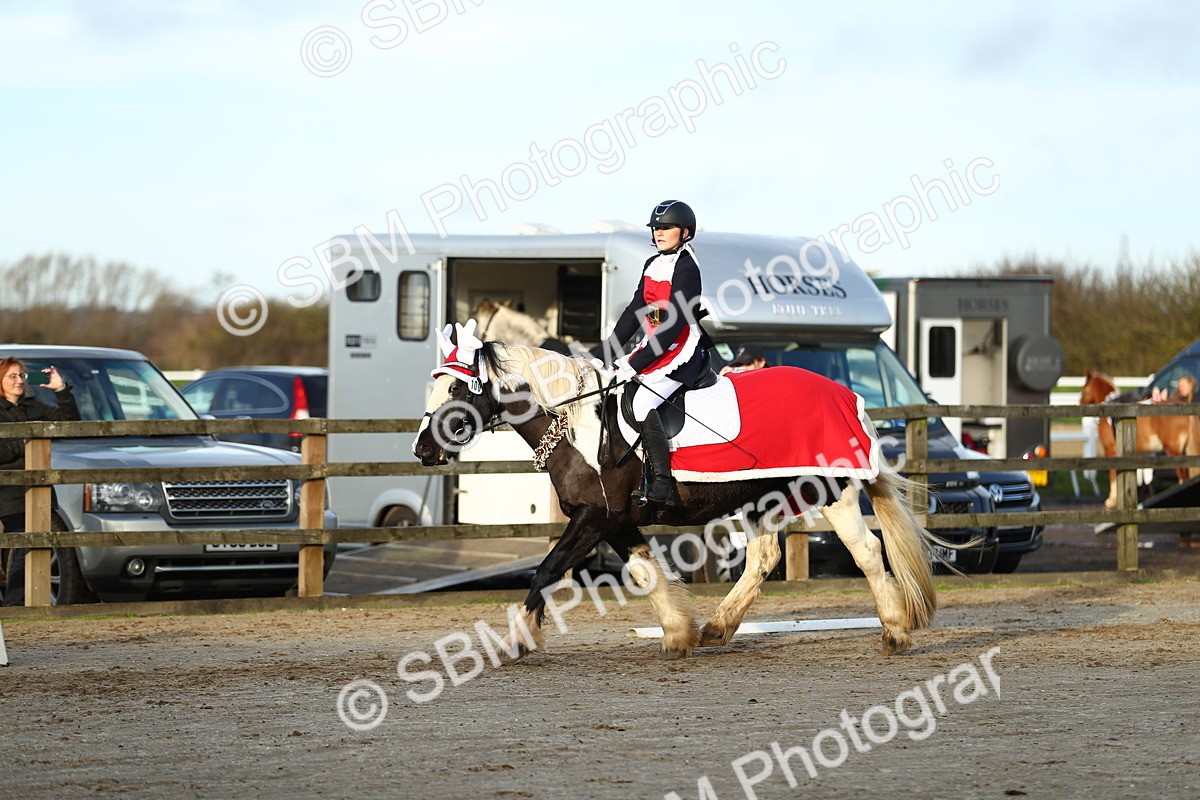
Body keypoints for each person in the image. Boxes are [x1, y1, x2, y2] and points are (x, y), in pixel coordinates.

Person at [590, 199, 709, 506]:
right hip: (656, 343)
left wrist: (636, 363)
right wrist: (606, 351)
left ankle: (663, 484)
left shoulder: (686, 268)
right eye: (656, 228)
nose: (658, 233)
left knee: (642, 401)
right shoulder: (652, 264)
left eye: (665, 228)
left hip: (680, 349)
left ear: (684, 232)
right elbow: (636, 310)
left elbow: (673, 325)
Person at [0, 358, 80, 606]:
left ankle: (22, 603)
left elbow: (71, 424)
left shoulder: (34, 407)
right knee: (22, 544)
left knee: (40, 544)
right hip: (8, 491)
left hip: (39, 488)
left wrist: (60, 389)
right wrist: (25, 444)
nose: (19, 380)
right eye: (12, 376)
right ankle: (13, 603)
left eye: (22, 375)